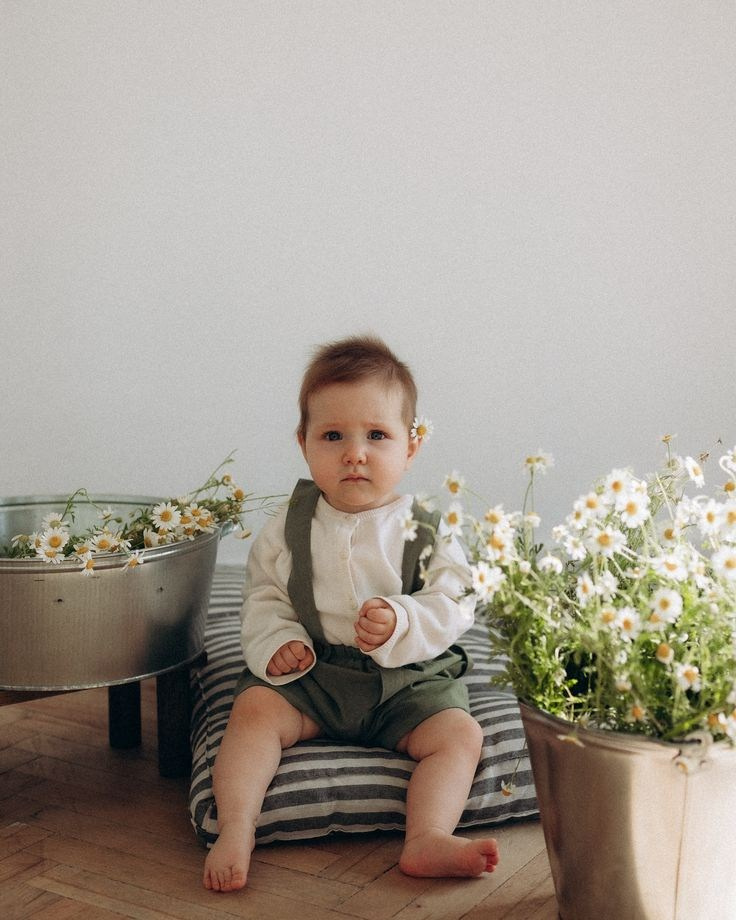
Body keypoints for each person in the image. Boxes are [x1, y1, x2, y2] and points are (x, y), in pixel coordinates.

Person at [203, 334, 499, 892]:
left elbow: (454, 603)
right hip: (313, 677)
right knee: (253, 714)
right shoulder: (288, 528)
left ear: (410, 448)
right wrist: (279, 641)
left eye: (377, 436)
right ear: (304, 443)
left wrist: (404, 619)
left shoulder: (430, 529)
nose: (354, 452)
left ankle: (427, 836)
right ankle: (237, 826)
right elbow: (265, 596)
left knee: (459, 734)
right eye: (332, 435)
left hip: (408, 682)